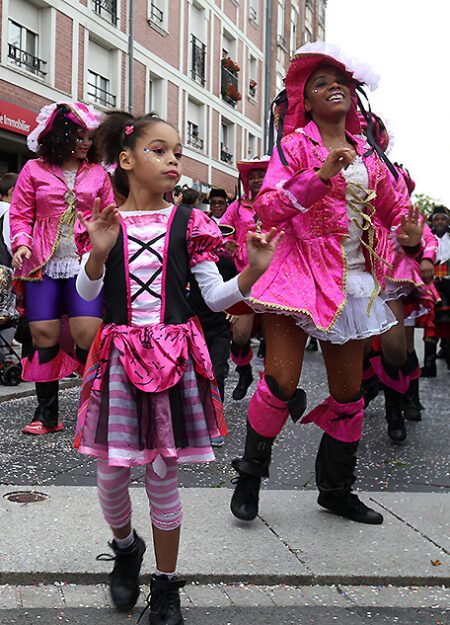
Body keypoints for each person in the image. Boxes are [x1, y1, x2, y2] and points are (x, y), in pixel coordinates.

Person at [74, 111, 281, 623]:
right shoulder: (106, 224)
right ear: (125, 160)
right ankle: (126, 548)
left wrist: (252, 272)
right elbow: (85, 294)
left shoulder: (192, 222)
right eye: (159, 150)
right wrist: (97, 257)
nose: (172, 160)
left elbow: (213, 298)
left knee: (163, 478)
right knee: (110, 476)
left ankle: (165, 585)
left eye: (176, 153)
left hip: (174, 361)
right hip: (119, 360)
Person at [230, 42, 427, 527]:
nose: (332, 87)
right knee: (281, 382)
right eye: (320, 83)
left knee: (348, 394)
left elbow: (394, 211)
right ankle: (250, 477)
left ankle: (336, 490)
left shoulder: (371, 157)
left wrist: (409, 233)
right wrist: (318, 176)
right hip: (298, 274)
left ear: (353, 97)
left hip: (354, 281)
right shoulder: (293, 147)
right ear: (308, 103)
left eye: (339, 81)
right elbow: (269, 207)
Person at [10, 102, 114, 434]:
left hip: (85, 263)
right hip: (41, 263)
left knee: (88, 334)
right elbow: (20, 214)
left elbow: (110, 215)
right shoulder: (33, 170)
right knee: (44, 337)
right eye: (78, 136)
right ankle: (47, 415)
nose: (85, 143)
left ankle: (97, 409)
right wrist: (21, 243)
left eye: (90, 137)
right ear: (60, 135)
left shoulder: (99, 173)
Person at [220, 156, 270, 400]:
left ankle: (272, 390)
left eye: (261, 175)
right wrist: (226, 244)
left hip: (276, 280)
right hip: (245, 277)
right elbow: (221, 231)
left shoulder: (279, 203)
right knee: (239, 336)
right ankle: (244, 372)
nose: (256, 179)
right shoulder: (237, 207)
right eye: (252, 176)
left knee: (274, 338)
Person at [421, 205, 450, 375]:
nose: (440, 222)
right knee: (430, 322)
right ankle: (429, 365)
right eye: (437, 219)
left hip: (449, 286)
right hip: (431, 285)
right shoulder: (426, 238)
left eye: (443, 219)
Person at [0, 173, 19, 361]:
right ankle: (4, 359)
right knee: (7, 315)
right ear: (13, 191)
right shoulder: (10, 212)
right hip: (4, 271)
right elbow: (11, 244)